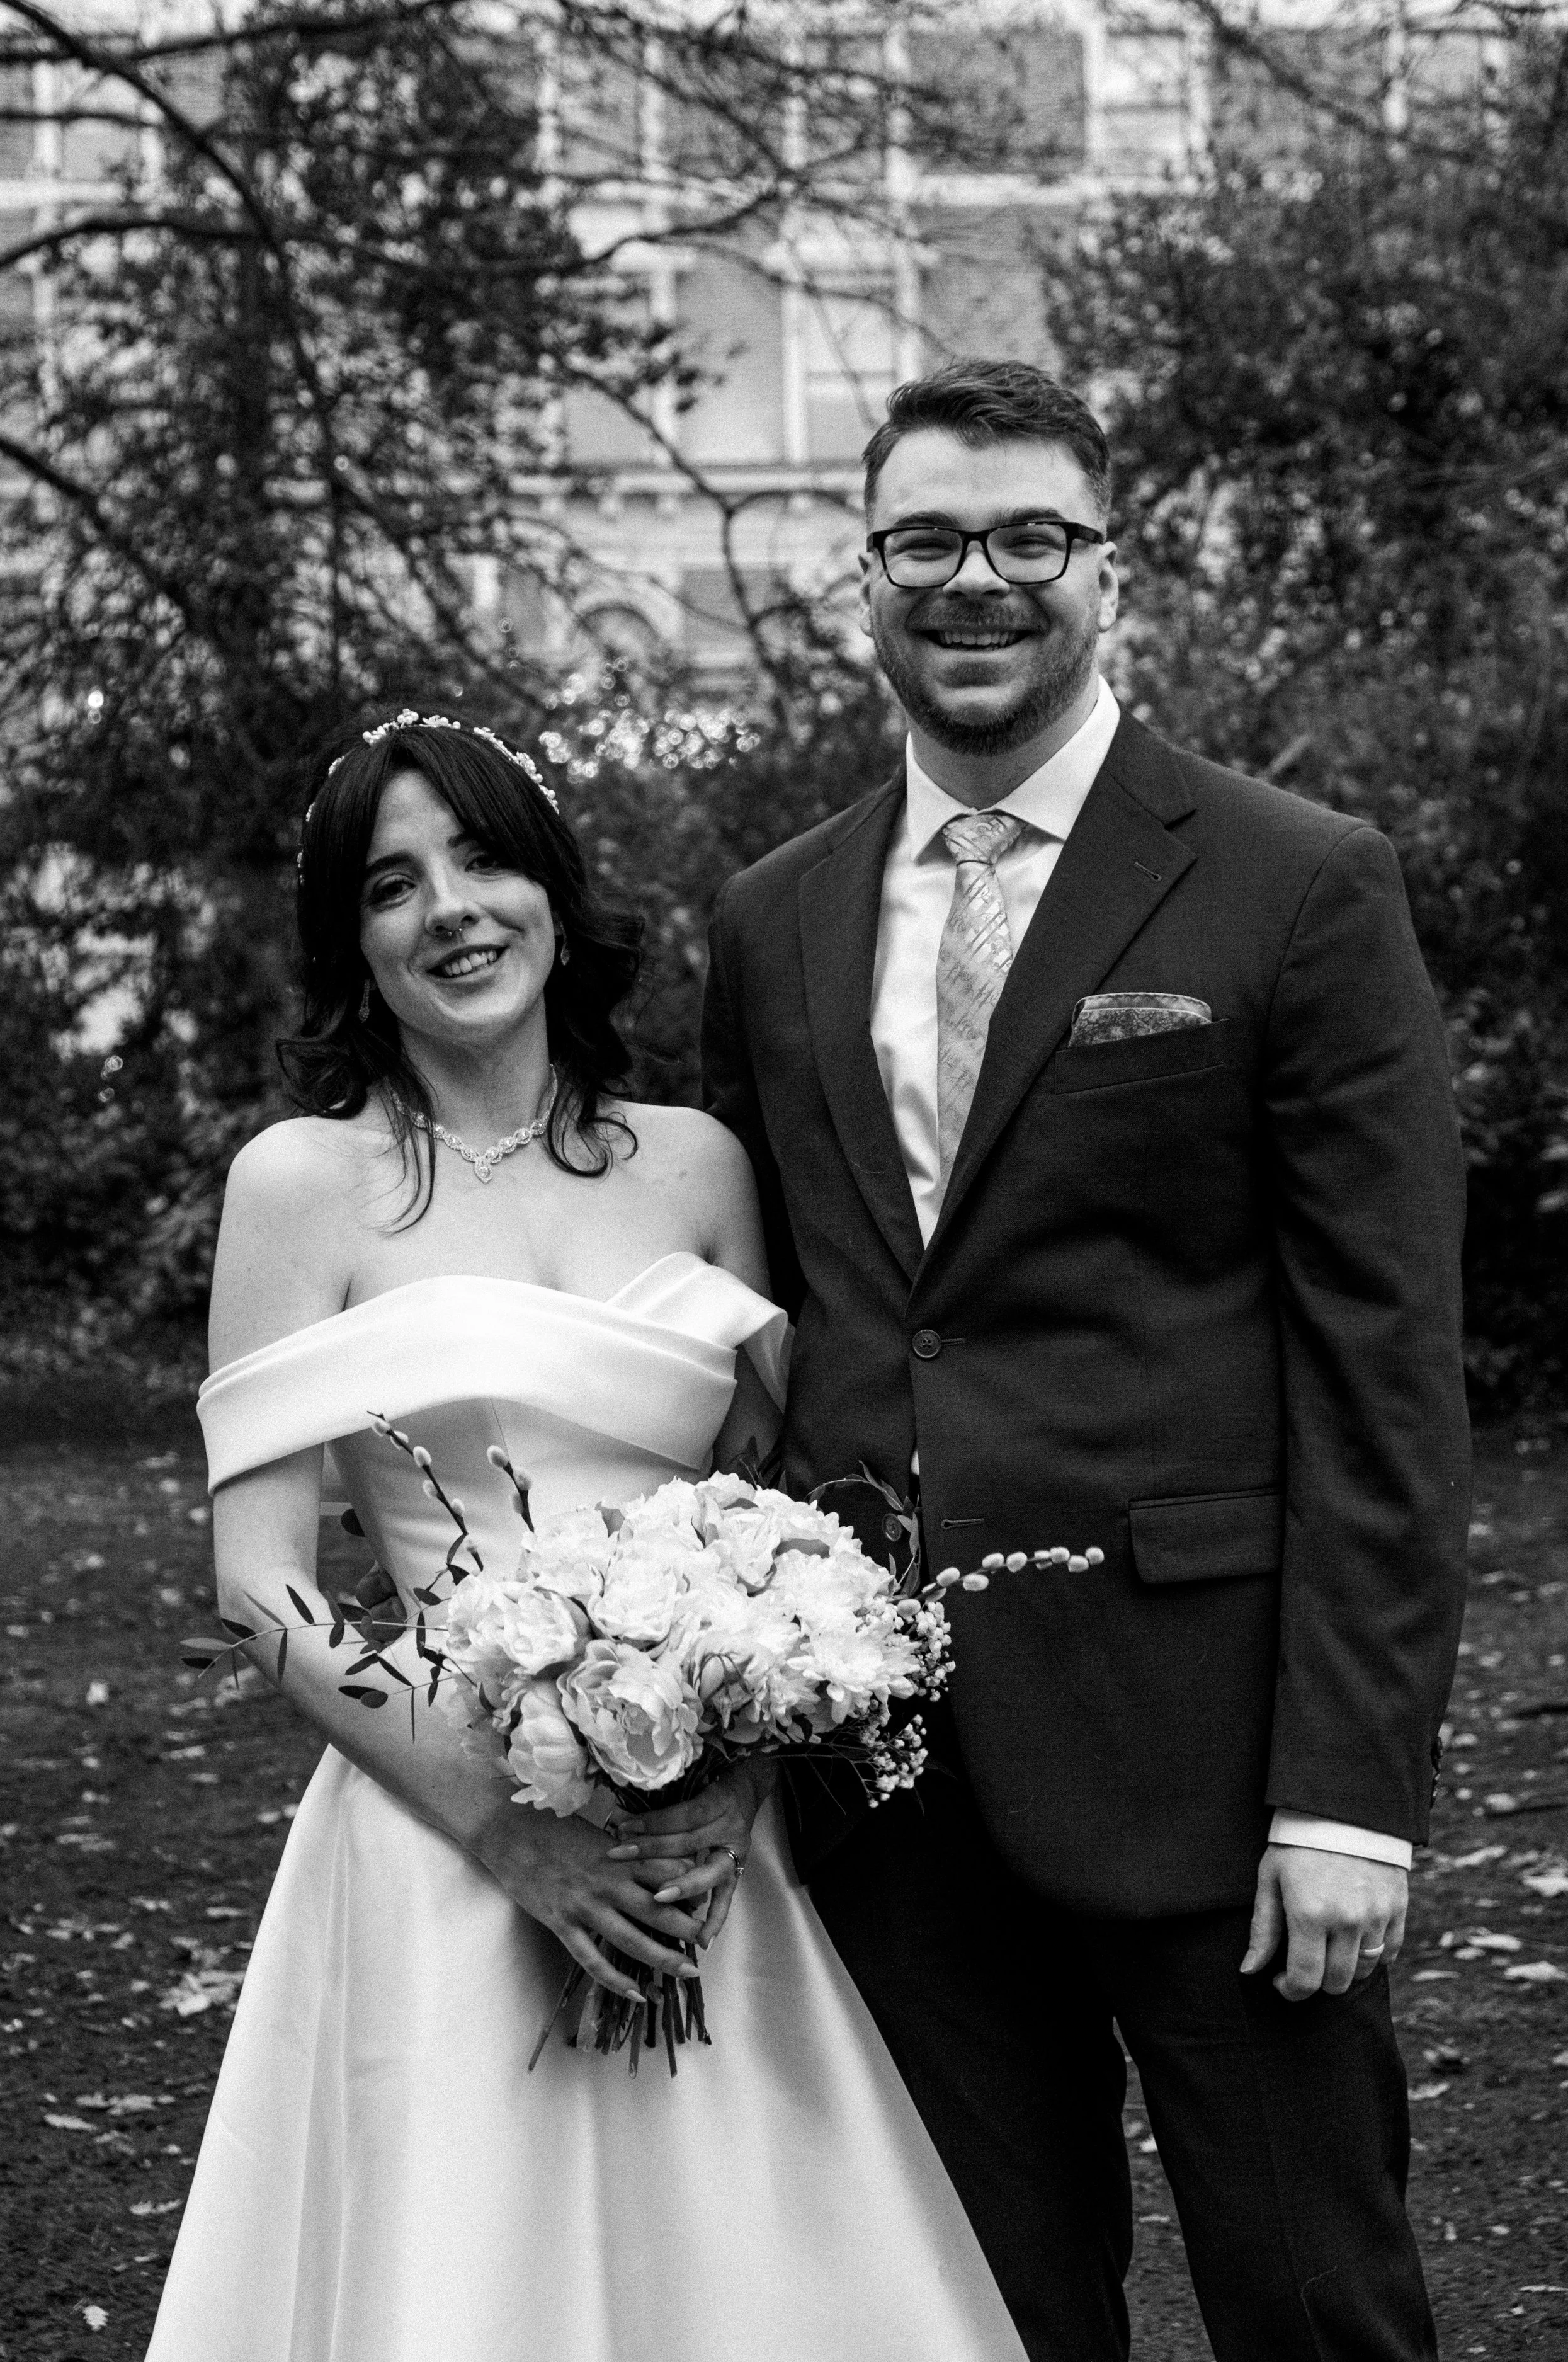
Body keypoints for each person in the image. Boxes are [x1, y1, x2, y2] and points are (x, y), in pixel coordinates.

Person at [691, 360, 1471, 2362]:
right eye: (927, 538)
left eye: (1029, 537)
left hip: (1212, 1766)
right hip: (891, 1789)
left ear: (1106, 572)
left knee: (1314, 2308)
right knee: (978, 2321)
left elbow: (1385, 1379)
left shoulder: (1296, 882)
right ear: (859, 573)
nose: (978, 580)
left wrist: (1347, 1798)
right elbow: (770, 1337)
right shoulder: (770, 922)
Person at [144, 714, 1027, 2362]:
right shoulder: (302, 1184)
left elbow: (768, 1513)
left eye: (481, 859)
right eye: (393, 884)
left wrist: (739, 1748)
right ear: (354, 943)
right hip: (439, 1821)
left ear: (552, 889)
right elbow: (258, 1576)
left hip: (702, 1836)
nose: (450, 909)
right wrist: (501, 1825)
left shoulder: (694, 1161)